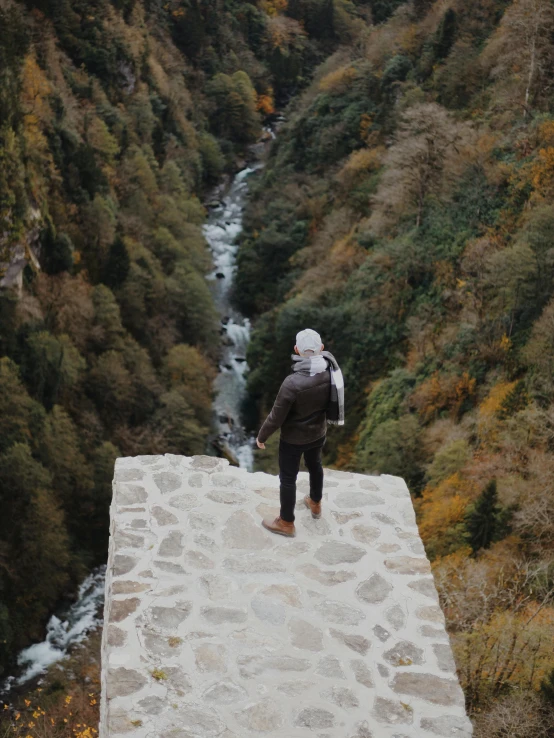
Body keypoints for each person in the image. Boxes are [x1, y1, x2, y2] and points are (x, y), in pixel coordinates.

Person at [256, 328, 344, 537]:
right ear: (321, 349)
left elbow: (276, 417)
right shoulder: (330, 371)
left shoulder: (292, 383)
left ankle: (286, 522)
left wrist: (262, 436)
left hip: (293, 440)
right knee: (315, 466)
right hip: (318, 433)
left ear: (296, 350)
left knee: (288, 478)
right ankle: (315, 502)